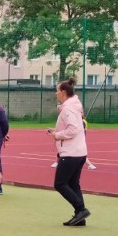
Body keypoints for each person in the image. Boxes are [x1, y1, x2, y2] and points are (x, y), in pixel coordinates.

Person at [47, 78, 90, 227]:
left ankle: (81, 209)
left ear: (63, 92)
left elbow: (73, 129)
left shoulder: (68, 109)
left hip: (71, 153)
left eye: (57, 90)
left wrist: (57, 135)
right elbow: (74, 127)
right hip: (79, 151)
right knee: (73, 184)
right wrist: (56, 131)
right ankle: (80, 216)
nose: (56, 93)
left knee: (60, 183)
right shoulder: (74, 106)